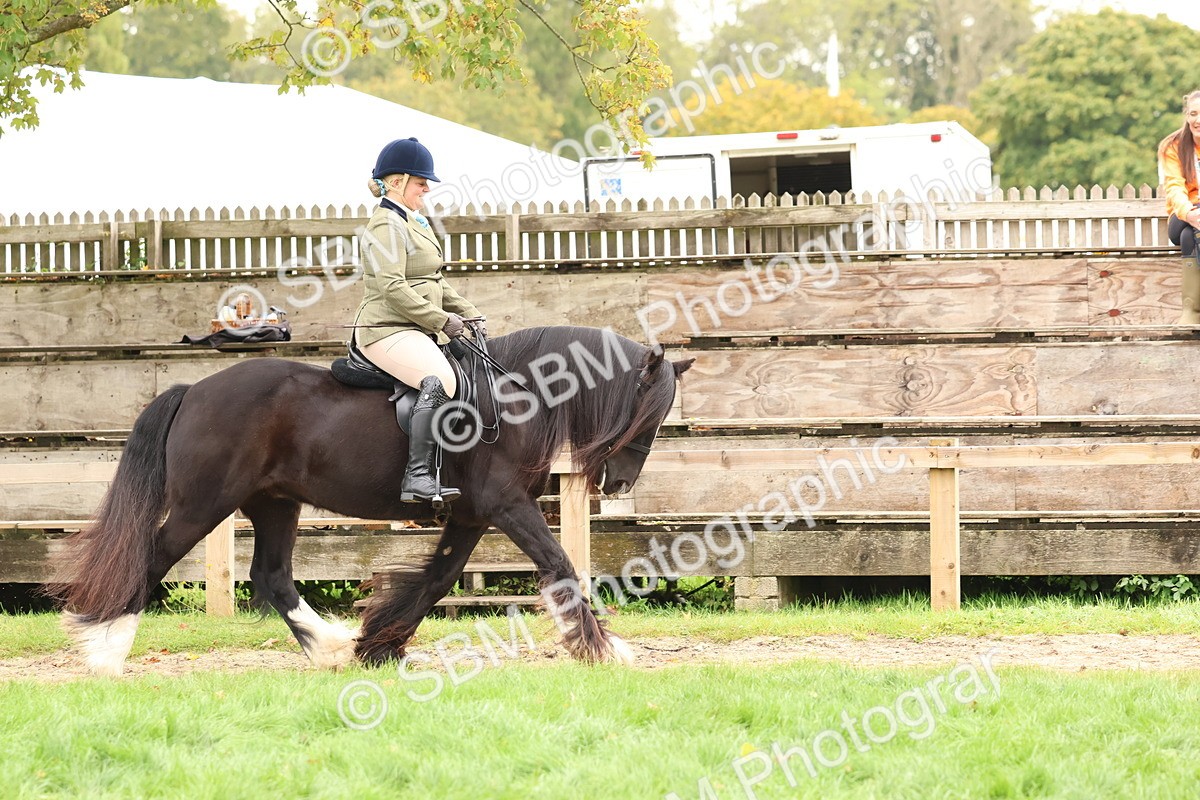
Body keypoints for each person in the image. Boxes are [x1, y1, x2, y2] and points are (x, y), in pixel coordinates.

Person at [352, 137, 486, 503]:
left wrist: (469, 312)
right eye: (420, 181)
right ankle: (418, 477)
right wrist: (441, 320)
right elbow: (393, 287)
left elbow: (434, 280)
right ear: (397, 182)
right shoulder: (386, 226)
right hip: (386, 330)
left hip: (416, 326)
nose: (427, 187)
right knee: (440, 378)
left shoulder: (415, 221)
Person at [1158, 89, 1200, 324]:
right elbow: (1174, 187)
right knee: (1186, 229)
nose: (1197, 120)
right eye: (1193, 114)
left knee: (1189, 237)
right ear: (1186, 116)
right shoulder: (1173, 146)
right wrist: (1189, 213)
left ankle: (1192, 313)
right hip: (1182, 214)